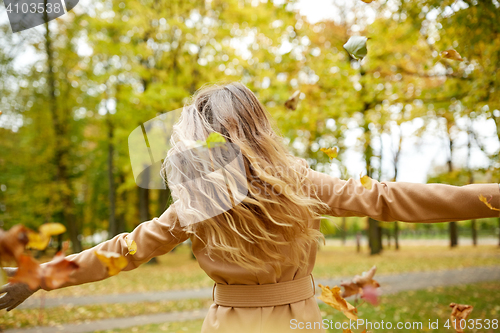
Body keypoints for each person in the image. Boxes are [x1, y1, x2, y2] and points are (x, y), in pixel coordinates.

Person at [1, 82, 499, 333]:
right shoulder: (298, 182)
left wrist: (40, 274)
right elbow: (389, 197)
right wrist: (491, 196)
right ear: (258, 127)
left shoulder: (198, 201)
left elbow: (123, 251)